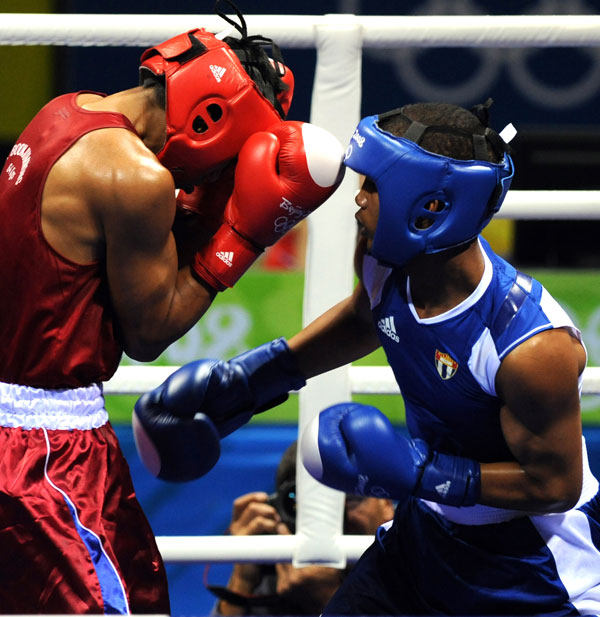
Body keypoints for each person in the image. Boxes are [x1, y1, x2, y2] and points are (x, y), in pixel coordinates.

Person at [134, 96, 600, 616]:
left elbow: (555, 485)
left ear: (429, 207)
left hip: (532, 568)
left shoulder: (531, 346)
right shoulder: (386, 260)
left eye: (374, 186)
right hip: (425, 536)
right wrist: (254, 379)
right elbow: (367, 316)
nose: (358, 199)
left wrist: (422, 473)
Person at [0, 0, 345, 612]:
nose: (220, 173)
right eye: (230, 158)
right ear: (211, 117)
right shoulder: (137, 178)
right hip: (45, 446)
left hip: (35, 430)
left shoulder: (69, 110)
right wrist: (240, 236)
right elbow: (150, 332)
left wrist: (201, 210)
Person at [207, 441, 395, 616]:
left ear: (386, 504)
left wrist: (328, 598)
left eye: (350, 496)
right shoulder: (272, 577)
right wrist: (242, 582)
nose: (332, 515)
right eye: (309, 503)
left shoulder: (413, 570)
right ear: (282, 508)